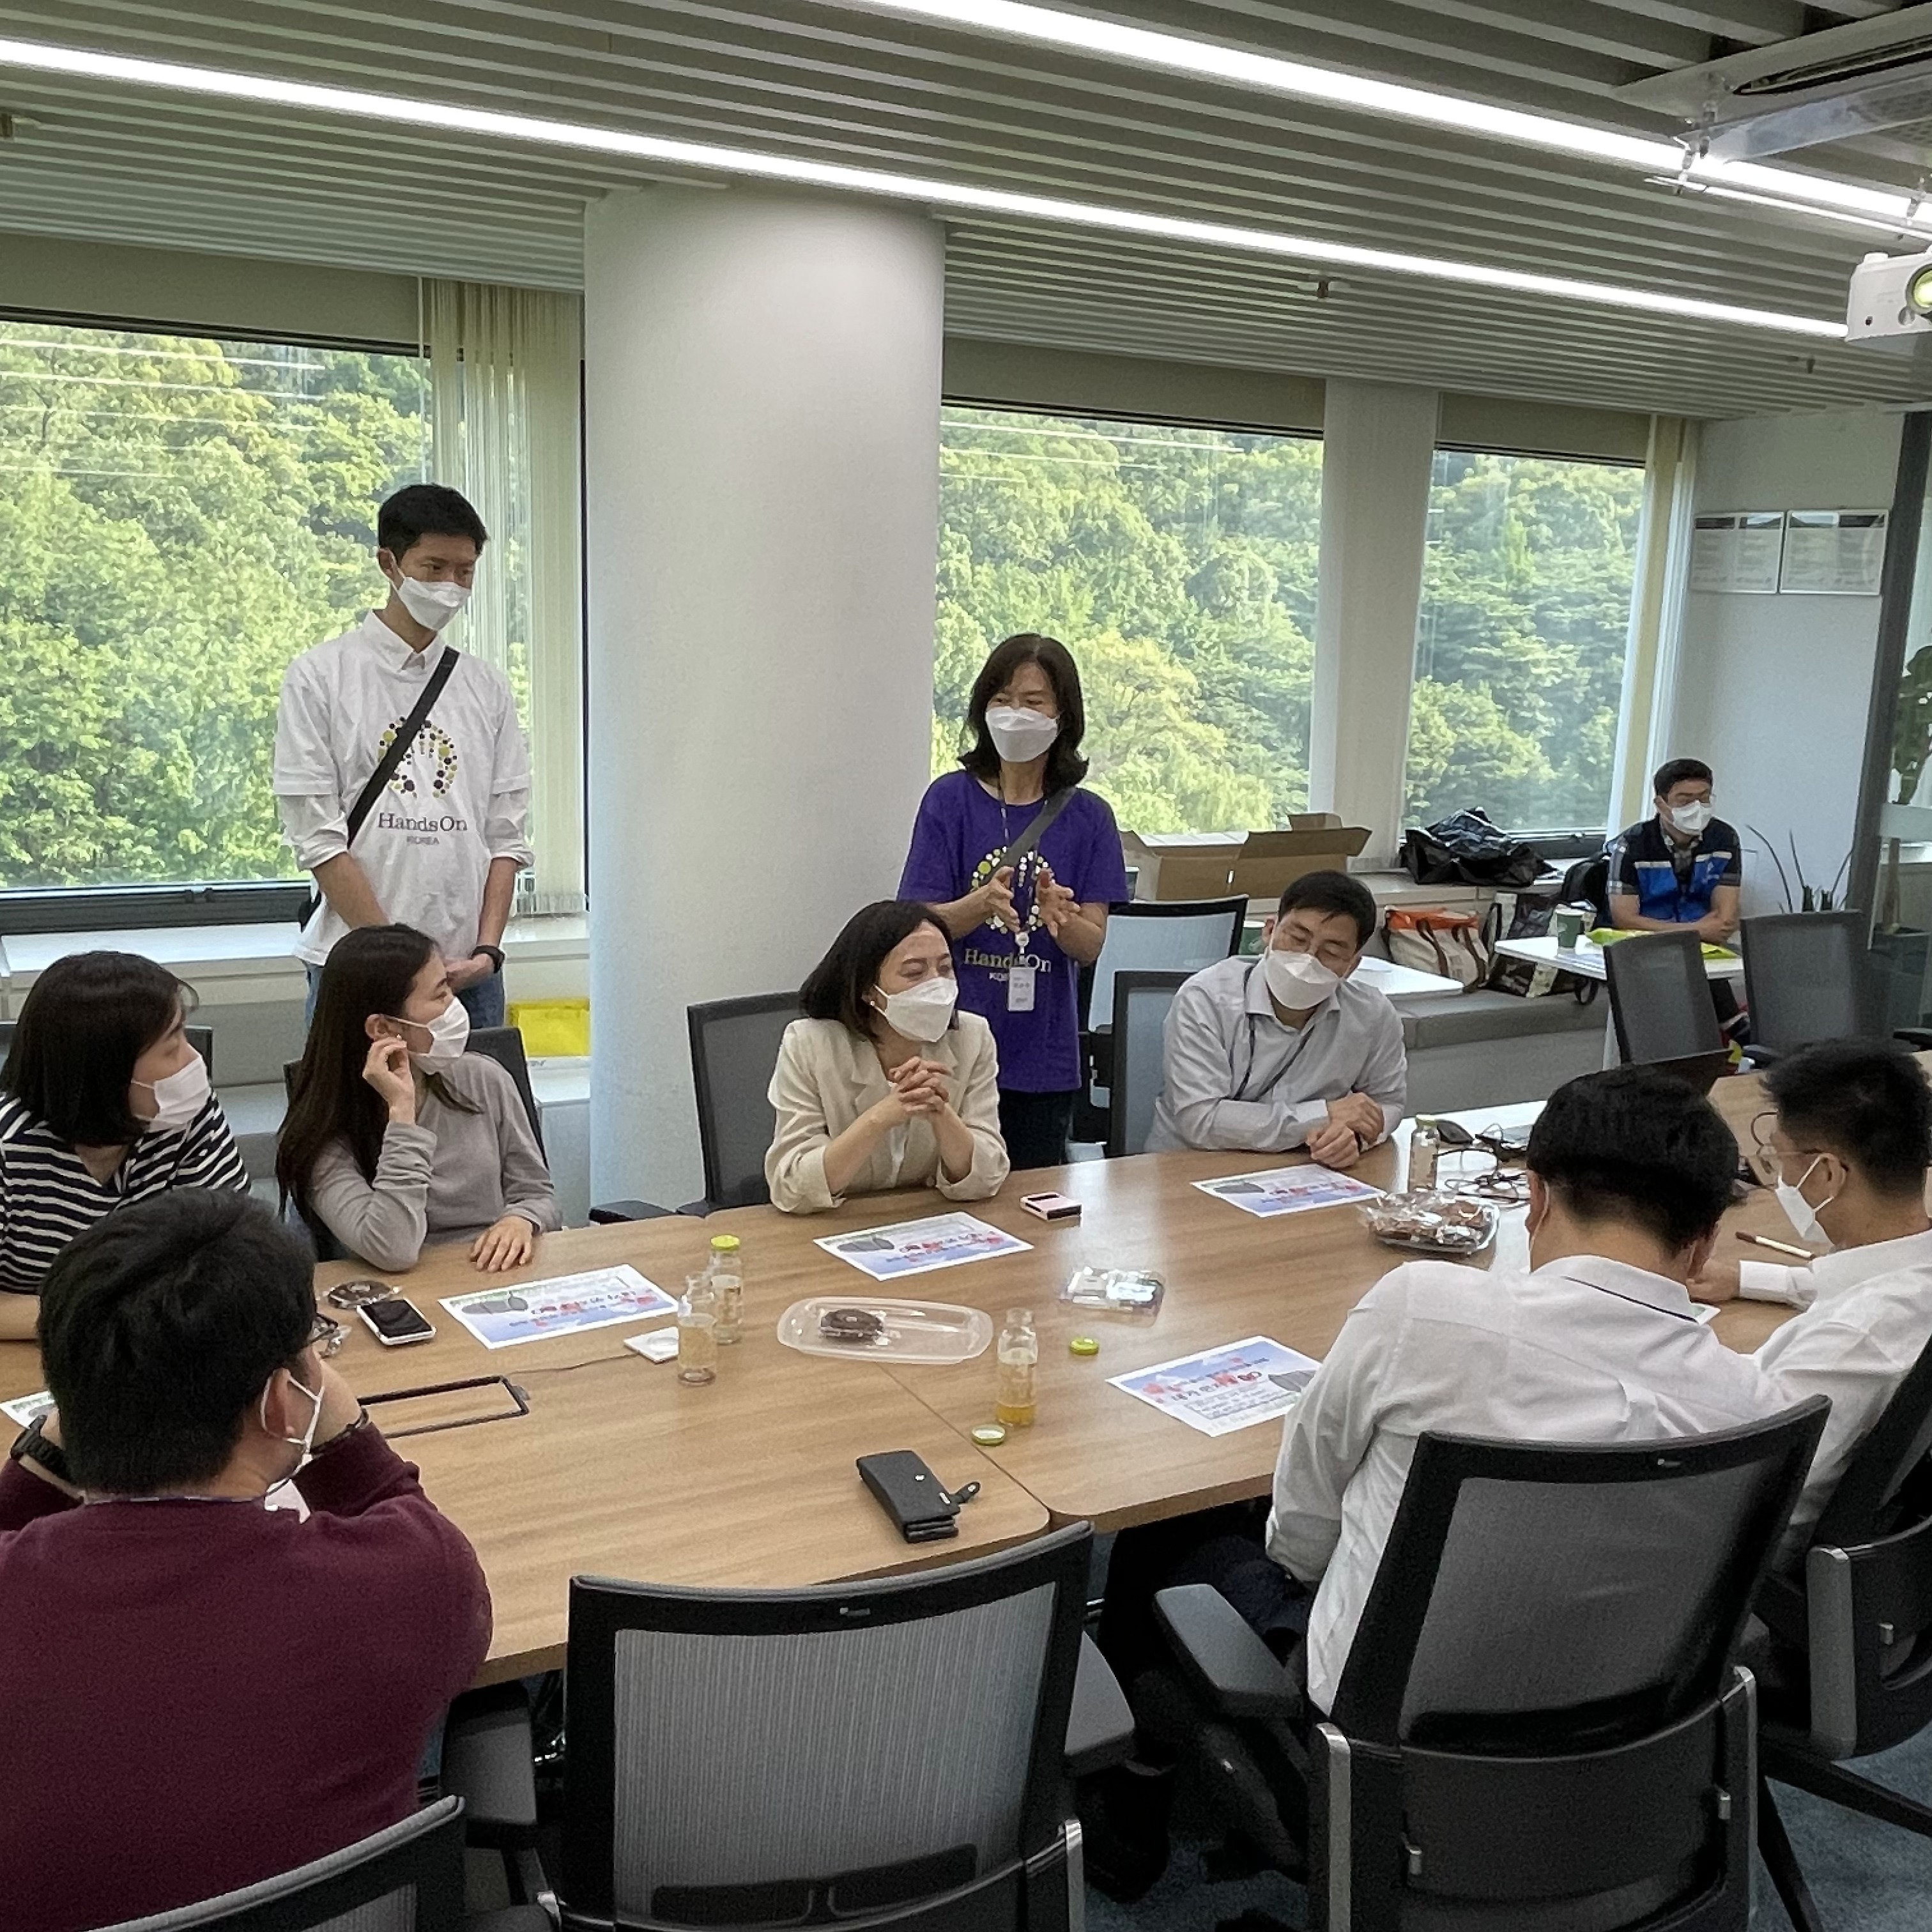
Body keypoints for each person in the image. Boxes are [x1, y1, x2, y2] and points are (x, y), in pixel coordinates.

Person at [0, 1190, 491, 1929]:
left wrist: (46, 1454)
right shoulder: (410, 1583)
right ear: (282, 1404)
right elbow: (413, 1524)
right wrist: (346, 1435)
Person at [1267, 1066, 1772, 1717]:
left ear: (1536, 1199)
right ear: (1704, 1246)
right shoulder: (1750, 1406)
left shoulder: (1422, 1310)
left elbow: (1302, 1522)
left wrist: (1306, 1571)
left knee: (1206, 1560)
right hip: (1626, 1726)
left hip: (1387, 1721)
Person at [275, 483, 533, 1031]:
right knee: (356, 1093)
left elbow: (506, 836)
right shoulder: (320, 676)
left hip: (468, 976)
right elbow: (318, 839)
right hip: (359, 969)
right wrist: (403, 965)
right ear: (388, 564)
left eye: (465, 571)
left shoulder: (486, 687)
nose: (450, 586)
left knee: (480, 1090)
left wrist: (488, 952)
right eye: (434, 568)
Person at [898, 632, 1129, 1171]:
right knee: (945, 1186)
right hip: (950, 1045)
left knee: (1030, 1197)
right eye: (1002, 700)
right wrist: (979, 905)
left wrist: (1061, 919)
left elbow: (1091, 946)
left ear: (1063, 715)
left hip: (1042, 1058)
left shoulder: (1090, 817)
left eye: (1033, 701)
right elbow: (915, 925)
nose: (1015, 714)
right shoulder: (949, 800)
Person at [1691, 1039, 1932, 1556]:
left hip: (1747, 1562)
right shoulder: (1911, 1273)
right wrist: (1747, 1278)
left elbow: (1738, 1504)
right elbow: (1862, 1281)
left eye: (1782, 1161)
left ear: (1826, 1174)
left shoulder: (1852, 1339)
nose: (1782, 1181)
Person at [276, 923, 560, 1272]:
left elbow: (537, 1194)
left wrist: (521, 1219)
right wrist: (402, 1115)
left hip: (495, 1274)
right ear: (382, 1028)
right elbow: (393, 1249)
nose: (454, 1006)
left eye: (449, 988)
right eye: (439, 996)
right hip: (403, 1287)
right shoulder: (321, 1136)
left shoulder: (485, 1078)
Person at [0, 951, 247, 1338]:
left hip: (153, 1343)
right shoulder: (9, 1151)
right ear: (105, 1072)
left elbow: (233, 1246)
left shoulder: (183, 1115)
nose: (193, 1059)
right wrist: (111, 1316)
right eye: (171, 1048)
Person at [1146, 871, 1404, 1165]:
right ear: (1270, 931)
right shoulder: (1205, 999)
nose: (1308, 959)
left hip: (1306, 1168)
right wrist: (1323, 1115)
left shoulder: (1372, 1014)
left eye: (1331, 952)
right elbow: (1199, 1119)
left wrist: (1352, 1137)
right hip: (1191, 1164)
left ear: (1352, 966)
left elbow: (1388, 1102)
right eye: (1298, 939)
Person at [767, 900, 1009, 1214]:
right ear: (869, 991)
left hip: (926, 1220)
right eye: (915, 972)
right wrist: (882, 1117)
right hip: (837, 1223)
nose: (936, 985)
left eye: (945, 969)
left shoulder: (972, 1037)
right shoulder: (809, 1044)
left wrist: (940, 1113)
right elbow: (792, 1187)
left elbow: (988, 1176)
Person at [1607, 757, 1742, 943]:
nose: (1697, 808)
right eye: (1685, 801)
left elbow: (1724, 918)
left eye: (1704, 799)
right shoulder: (1633, 844)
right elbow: (1625, 919)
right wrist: (1695, 931)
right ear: (1660, 804)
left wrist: (1703, 932)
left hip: (1707, 944)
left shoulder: (1724, 838)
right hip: (1648, 943)